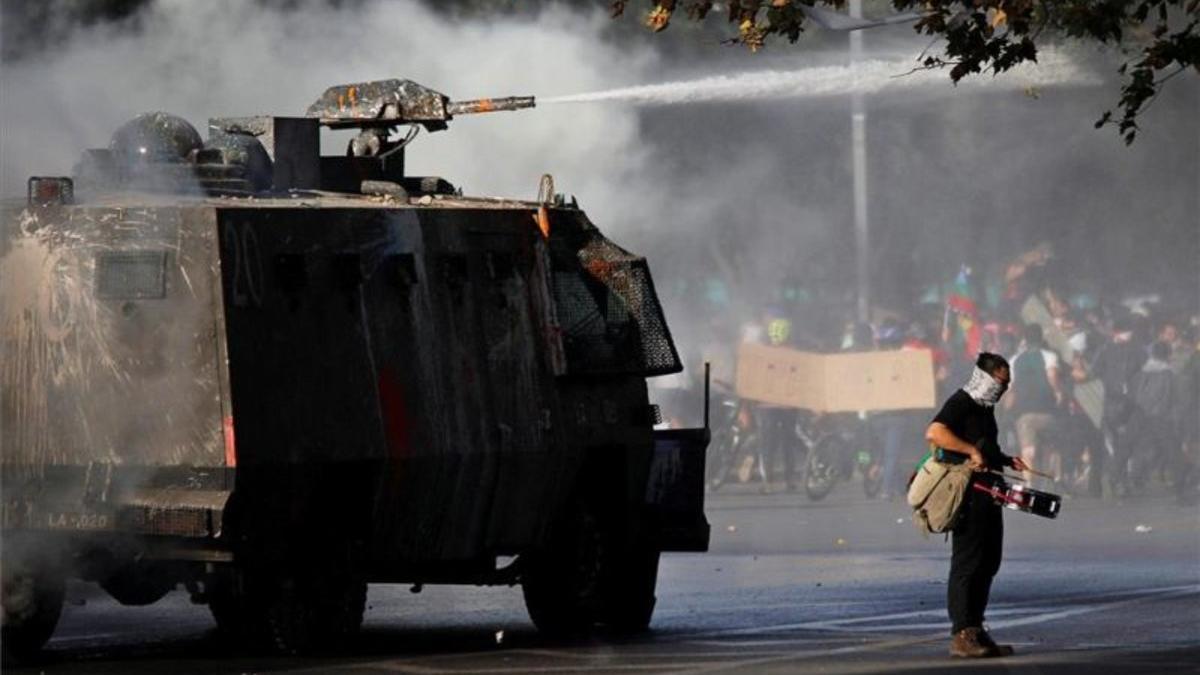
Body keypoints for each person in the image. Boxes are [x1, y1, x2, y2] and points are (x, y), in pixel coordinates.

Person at [924, 353, 1031, 658]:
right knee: (968, 563)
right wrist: (970, 450)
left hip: (989, 493)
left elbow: (985, 450)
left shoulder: (986, 410)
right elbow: (935, 432)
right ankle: (961, 632)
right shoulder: (962, 401)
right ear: (985, 377)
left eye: (1007, 384)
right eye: (1000, 381)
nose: (1004, 388)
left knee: (989, 561)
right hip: (967, 494)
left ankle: (976, 628)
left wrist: (1006, 459)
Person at [1007, 323, 1064, 486]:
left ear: (1025, 339)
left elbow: (1010, 389)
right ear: (1041, 338)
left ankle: (1029, 484)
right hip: (1046, 408)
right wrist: (1058, 394)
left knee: (1028, 450)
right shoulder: (1049, 356)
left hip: (1024, 412)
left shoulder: (1015, 360)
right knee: (1051, 446)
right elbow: (1052, 376)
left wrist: (1007, 410)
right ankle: (1052, 481)